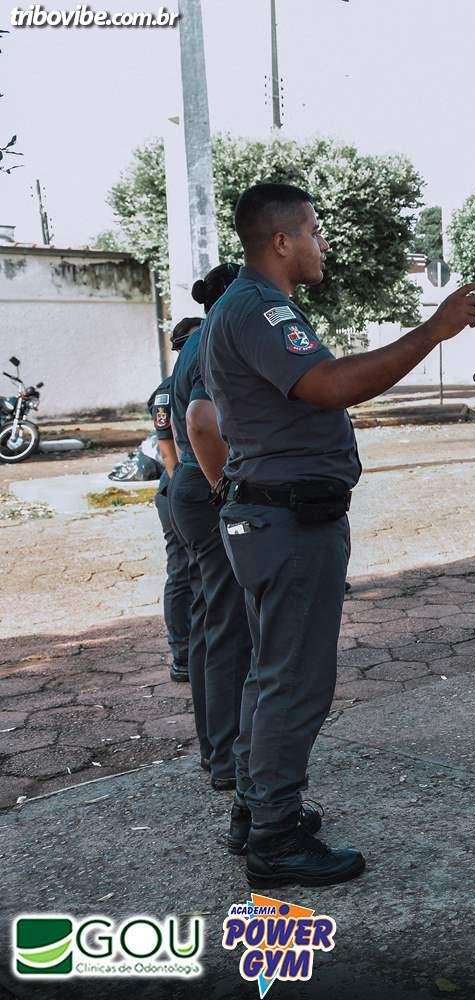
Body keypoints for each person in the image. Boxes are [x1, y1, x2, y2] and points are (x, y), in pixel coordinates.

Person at [201, 181, 475, 887]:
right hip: (288, 521)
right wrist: (432, 330)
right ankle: (274, 838)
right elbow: (329, 384)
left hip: (274, 515)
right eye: (314, 230)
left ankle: (256, 807)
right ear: (281, 241)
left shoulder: (249, 305)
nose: (323, 243)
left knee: (271, 670)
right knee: (295, 680)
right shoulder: (259, 308)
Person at [171, 262, 249, 794]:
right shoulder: (215, 339)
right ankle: (225, 756)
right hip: (206, 486)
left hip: (188, 486)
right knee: (228, 626)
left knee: (208, 619)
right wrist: (225, 486)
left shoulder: (193, 343)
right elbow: (202, 421)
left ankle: (213, 748)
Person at [153, 319, 201, 686]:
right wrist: (182, 493)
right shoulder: (168, 391)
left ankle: (202, 647)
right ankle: (182, 653)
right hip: (179, 486)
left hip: (192, 484)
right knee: (182, 570)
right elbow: (168, 452)